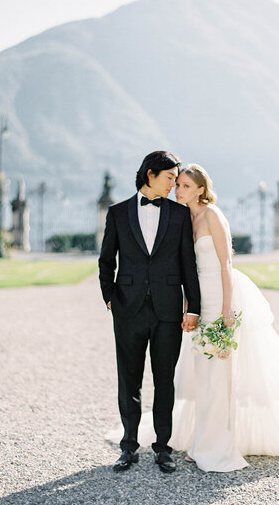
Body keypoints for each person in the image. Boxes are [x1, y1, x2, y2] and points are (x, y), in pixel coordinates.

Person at [112, 163, 279, 472]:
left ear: (201, 189)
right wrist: (190, 306)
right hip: (200, 301)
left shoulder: (213, 216)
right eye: (178, 185)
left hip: (221, 296)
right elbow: (185, 269)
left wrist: (227, 308)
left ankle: (217, 446)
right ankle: (202, 440)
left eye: (186, 186)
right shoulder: (183, 217)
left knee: (220, 377)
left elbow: (226, 263)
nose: (179, 189)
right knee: (203, 376)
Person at [99, 151, 201, 473]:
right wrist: (110, 299)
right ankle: (128, 446)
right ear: (150, 174)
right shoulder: (117, 213)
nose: (175, 184)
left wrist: (193, 307)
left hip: (167, 311)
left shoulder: (179, 215)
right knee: (128, 381)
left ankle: (163, 448)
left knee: (164, 381)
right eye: (170, 177)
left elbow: (189, 265)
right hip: (127, 310)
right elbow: (106, 261)